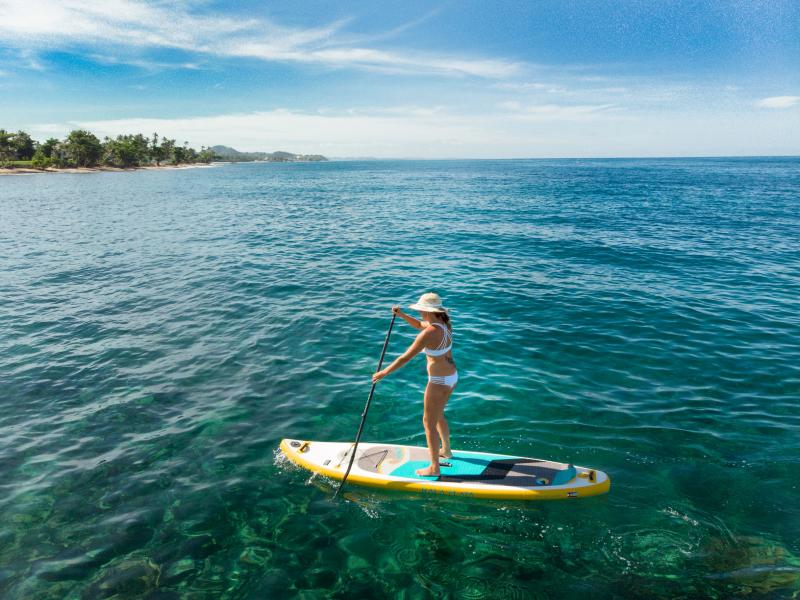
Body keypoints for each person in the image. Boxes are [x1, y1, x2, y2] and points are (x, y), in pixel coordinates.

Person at [372, 292, 457, 476]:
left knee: (428, 422)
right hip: (452, 377)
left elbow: (405, 357)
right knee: (438, 415)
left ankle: (434, 468)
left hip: (438, 382)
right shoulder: (444, 324)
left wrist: (384, 372)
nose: (419, 313)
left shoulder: (429, 333)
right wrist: (401, 315)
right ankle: (447, 450)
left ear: (427, 311)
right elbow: (419, 325)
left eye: (420, 310)